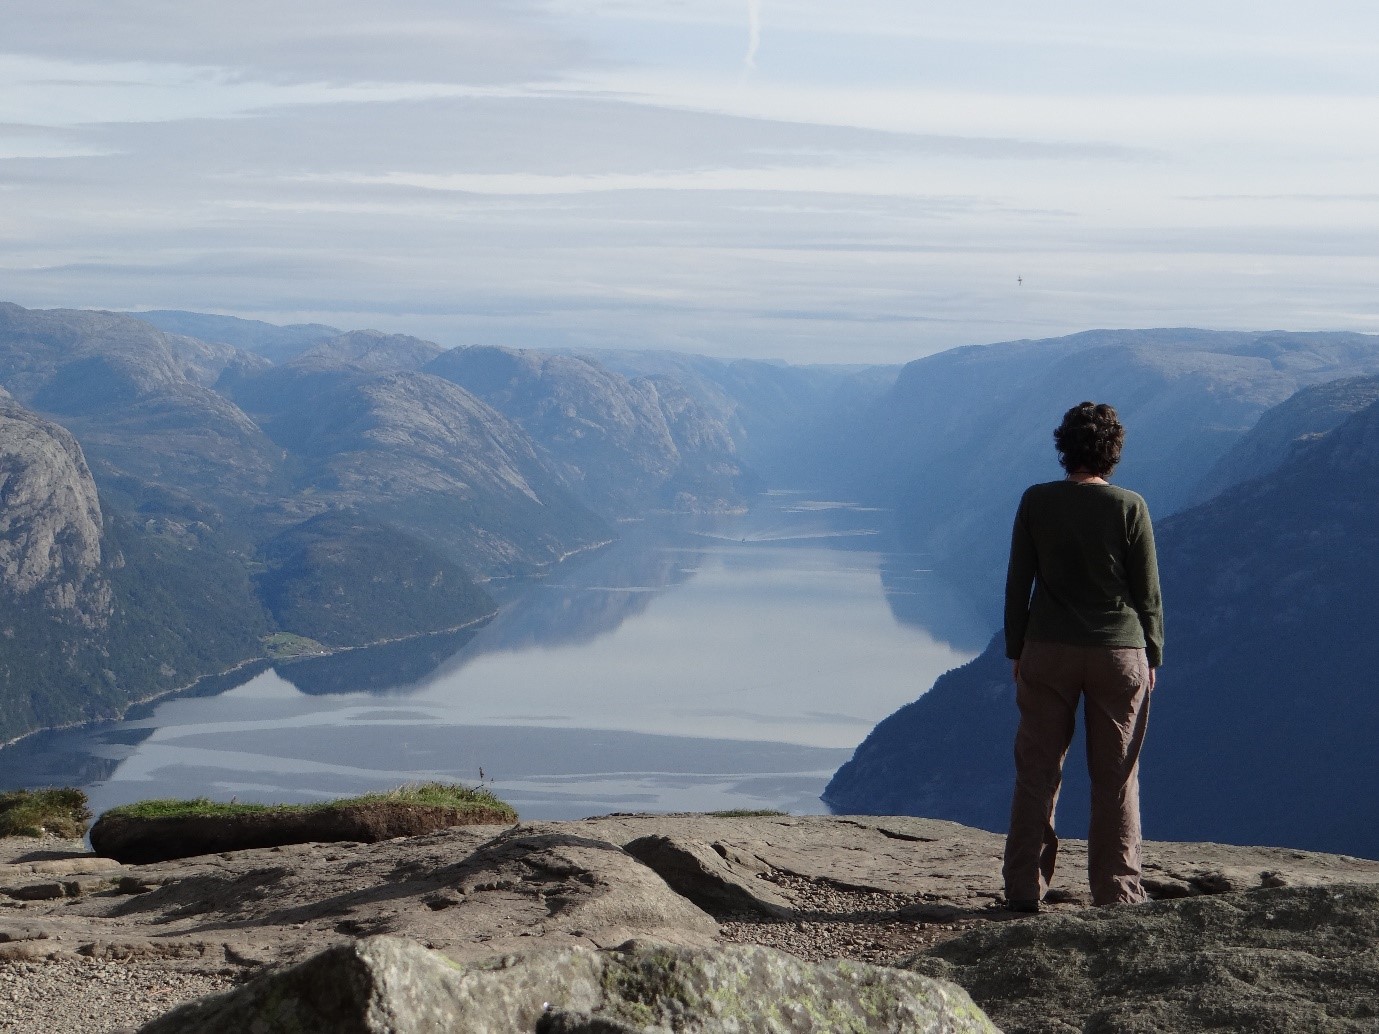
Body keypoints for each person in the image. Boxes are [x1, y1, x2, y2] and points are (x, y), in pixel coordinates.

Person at [1002, 401, 1163, 911]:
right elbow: (1148, 592)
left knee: (1038, 771)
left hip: (1047, 650)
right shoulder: (1129, 507)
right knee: (1116, 776)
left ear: (1063, 448)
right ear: (1113, 452)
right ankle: (1117, 893)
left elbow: (1017, 585)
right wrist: (1152, 652)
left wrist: (1016, 648)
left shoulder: (1035, 502)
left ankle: (1024, 889)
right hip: (1118, 652)